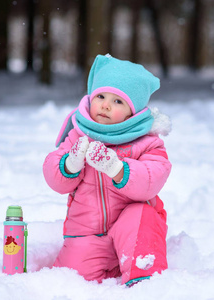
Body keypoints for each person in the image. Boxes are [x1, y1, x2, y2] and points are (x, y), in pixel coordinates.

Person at [43, 54, 172, 286]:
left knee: (140, 217)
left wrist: (118, 169)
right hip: (86, 234)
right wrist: (70, 165)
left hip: (132, 231)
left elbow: (153, 178)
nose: (105, 105)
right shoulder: (77, 135)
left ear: (132, 113)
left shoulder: (147, 142)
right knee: (71, 280)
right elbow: (53, 177)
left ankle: (146, 282)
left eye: (118, 101)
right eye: (101, 96)